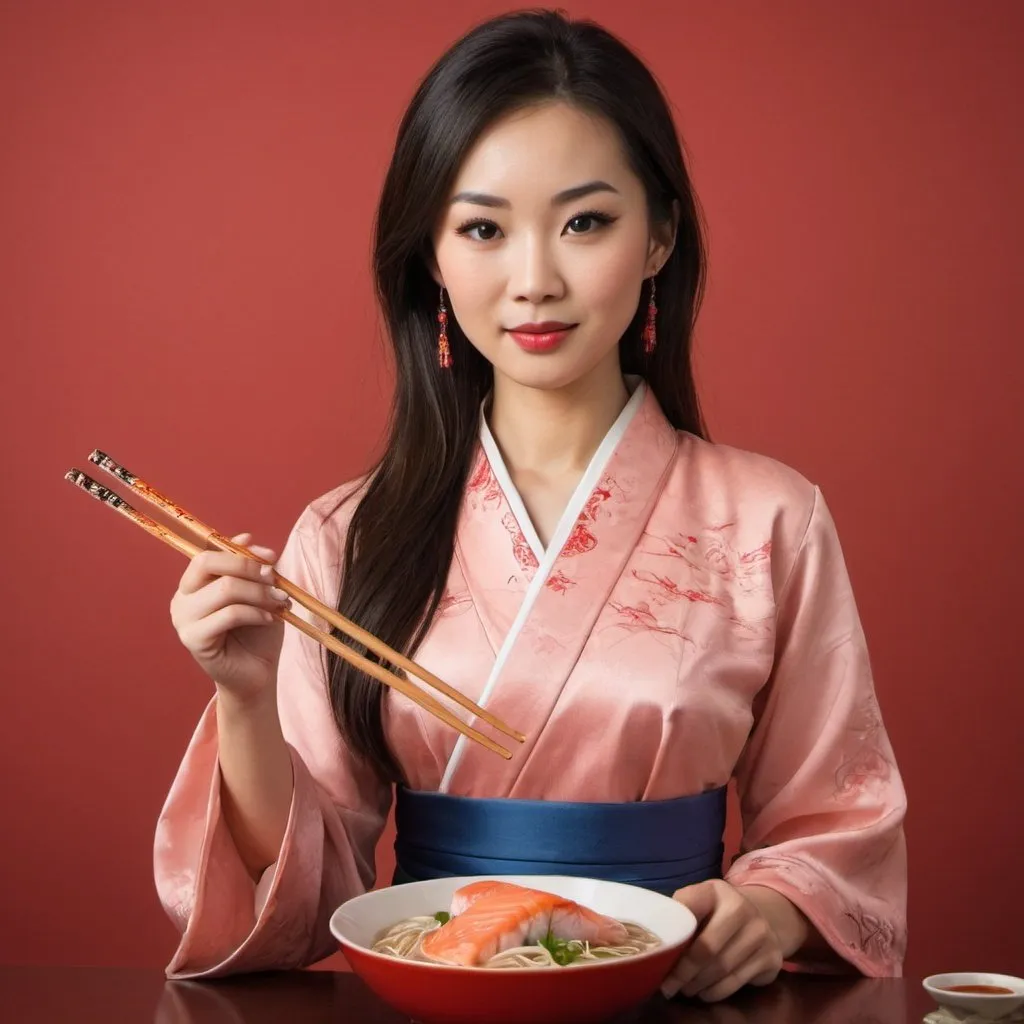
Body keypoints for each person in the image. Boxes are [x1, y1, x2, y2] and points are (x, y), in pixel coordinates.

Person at [155, 9, 907, 1002]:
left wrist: (764, 912)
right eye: (482, 228)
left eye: (585, 221)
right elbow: (298, 899)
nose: (535, 280)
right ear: (430, 253)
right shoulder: (347, 536)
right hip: (438, 991)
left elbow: (834, 817)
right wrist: (244, 696)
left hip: (674, 990)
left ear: (659, 235)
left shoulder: (768, 520)